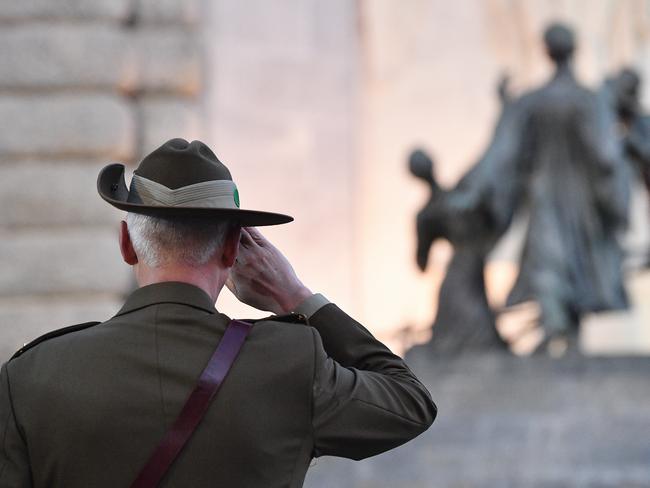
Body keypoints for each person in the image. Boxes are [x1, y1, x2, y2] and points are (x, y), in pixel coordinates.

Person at [0, 138, 436, 487]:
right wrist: (296, 296)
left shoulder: (31, 376)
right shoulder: (288, 362)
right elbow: (410, 404)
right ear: (232, 248)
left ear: (126, 244)